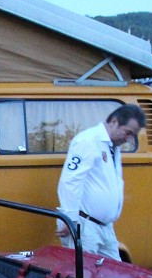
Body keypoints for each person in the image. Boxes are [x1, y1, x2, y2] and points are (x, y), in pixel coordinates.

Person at [55, 104, 145, 260]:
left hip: (104, 227)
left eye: (132, 136)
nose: (128, 139)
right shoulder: (88, 141)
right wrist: (70, 219)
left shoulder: (112, 147)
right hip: (84, 225)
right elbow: (71, 181)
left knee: (115, 275)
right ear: (114, 121)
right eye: (128, 132)